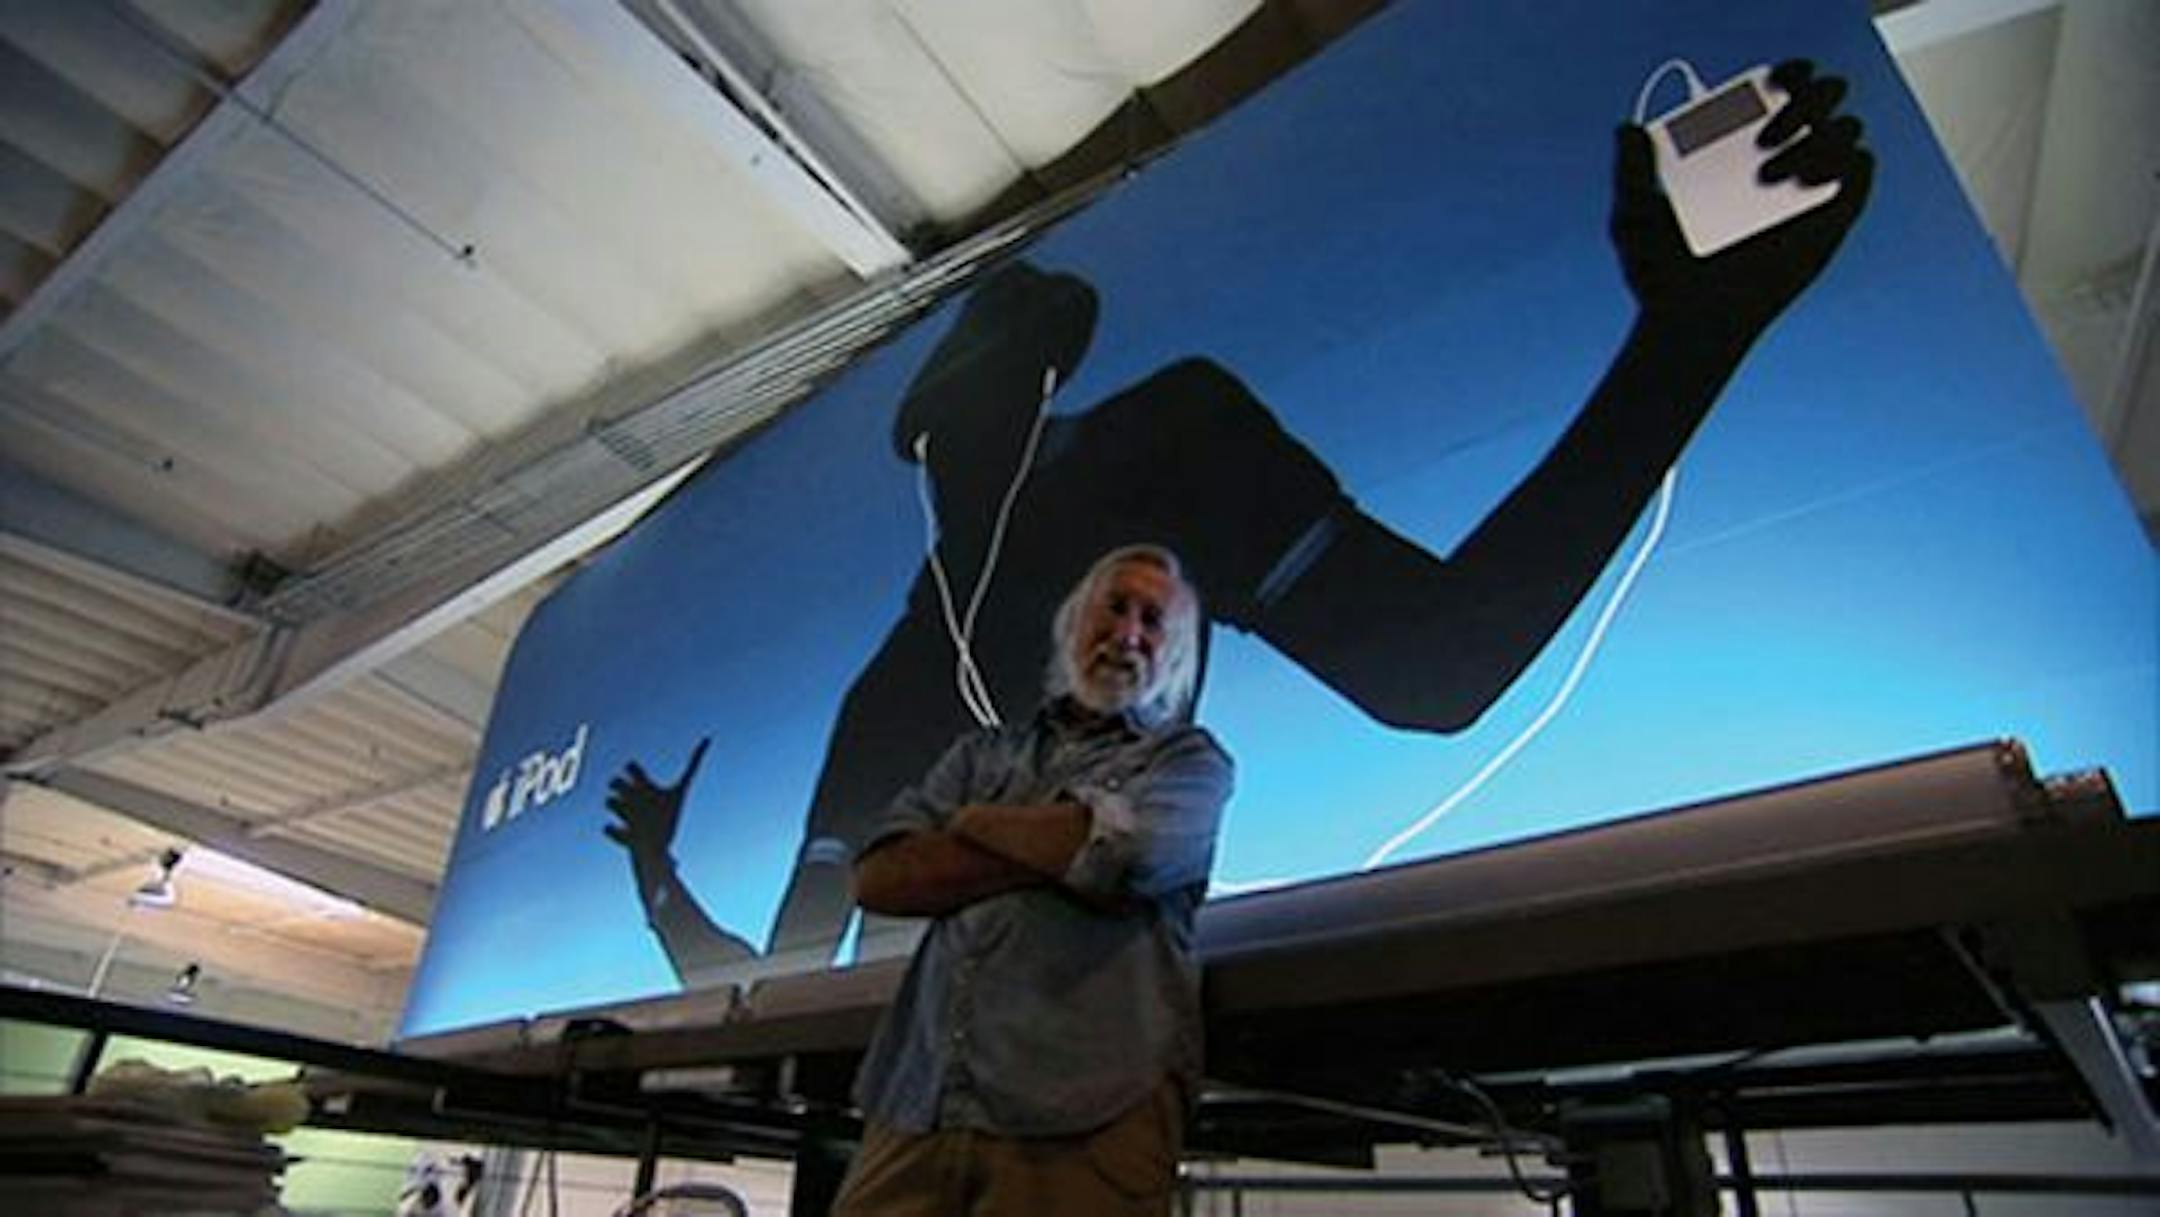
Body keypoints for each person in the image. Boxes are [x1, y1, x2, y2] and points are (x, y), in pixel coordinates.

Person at [606, 60, 1875, 984]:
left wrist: (1691, 335)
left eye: (998, 408)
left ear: (1048, 391)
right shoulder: (888, 696)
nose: (970, 453)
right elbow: (775, 984)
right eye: (943, 431)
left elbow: (1435, 663)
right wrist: (658, 868)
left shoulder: (1165, 442)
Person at [830, 543, 1230, 1216]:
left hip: (1087, 1116)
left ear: (1177, 655)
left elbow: (1133, 857)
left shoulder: (1187, 760)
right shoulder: (979, 751)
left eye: (1153, 620)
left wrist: (971, 819)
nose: (1127, 633)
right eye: (1114, 607)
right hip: (919, 1105)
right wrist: (1066, 840)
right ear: (1074, 623)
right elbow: (881, 877)